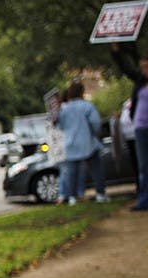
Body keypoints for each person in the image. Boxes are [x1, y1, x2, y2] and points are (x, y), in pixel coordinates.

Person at [54, 81, 107, 205]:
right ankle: (100, 194)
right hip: (88, 141)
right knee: (96, 168)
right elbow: (96, 124)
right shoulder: (87, 106)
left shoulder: (63, 110)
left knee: (72, 172)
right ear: (82, 92)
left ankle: (72, 197)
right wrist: (94, 134)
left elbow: (59, 126)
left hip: (71, 143)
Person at [110, 43, 148, 210]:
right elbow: (126, 69)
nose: (144, 70)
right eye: (142, 67)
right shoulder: (139, 81)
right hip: (140, 127)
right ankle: (143, 200)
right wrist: (116, 51)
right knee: (143, 166)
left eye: (146, 66)